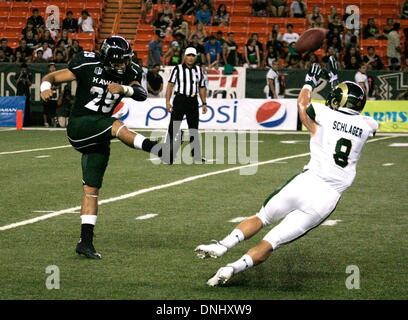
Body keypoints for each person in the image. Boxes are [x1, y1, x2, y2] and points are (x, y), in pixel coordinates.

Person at [195, 57, 379, 286]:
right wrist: (334, 81)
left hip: (307, 182)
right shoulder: (368, 126)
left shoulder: (324, 115)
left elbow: (303, 106)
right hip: (327, 198)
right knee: (272, 242)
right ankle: (232, 268)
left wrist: (309, 82)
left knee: (262, 217)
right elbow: (347, 116)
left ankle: (221, 245)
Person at [40, 36, 168, 259]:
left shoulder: (130, 71)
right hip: (80, 125)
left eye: (125, 61)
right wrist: (44, 86)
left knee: (92, 191)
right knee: (116, 125)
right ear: (107, 60)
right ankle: (157, 149)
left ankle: (85, 242)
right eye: (119, 62)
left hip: (98, 135)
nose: (123, 66)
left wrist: (124, 89)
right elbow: (52, 77)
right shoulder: (88, 64)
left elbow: (141, 94)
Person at [165, 47, 208, 164]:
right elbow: (170, 85)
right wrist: (167, 102)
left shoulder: (199, 70)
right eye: (189, 55)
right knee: (173, 126)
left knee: (194, 128)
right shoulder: (177, 69)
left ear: (195, 57)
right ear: (184, 56)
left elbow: (202, 87)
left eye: (193, 56)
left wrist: (204, 103)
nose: (191, 58)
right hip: (180, 99)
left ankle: (196, 155)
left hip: (193, 100)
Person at [42, 63, 60, 127]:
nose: (52, 68)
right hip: (47, 94)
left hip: (54, 96)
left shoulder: (58, 76)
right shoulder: (46, 76)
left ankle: (53, 122)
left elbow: (58, 86)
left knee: (54, 110)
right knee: (45, 110)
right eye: (51, 67)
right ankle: (45, 122)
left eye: (53, 67)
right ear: (49, 69)